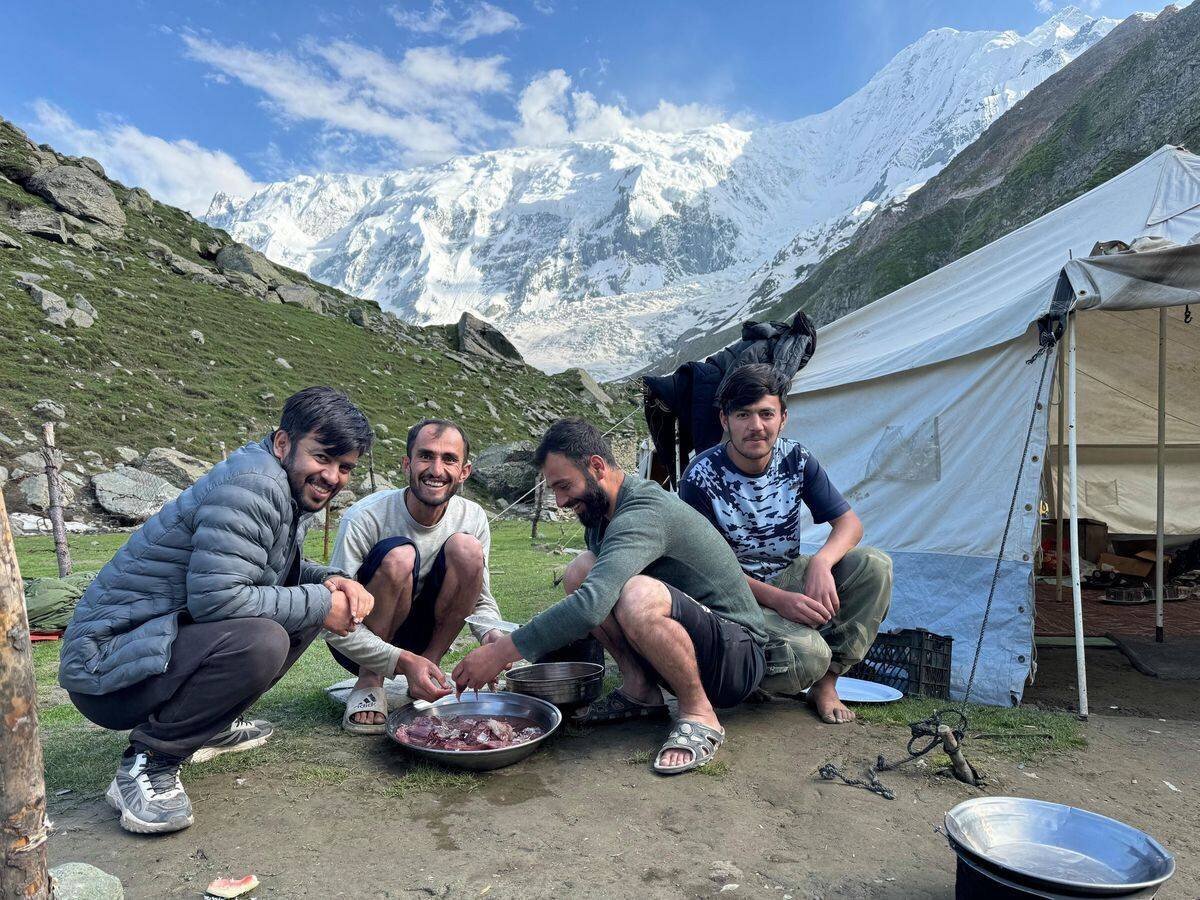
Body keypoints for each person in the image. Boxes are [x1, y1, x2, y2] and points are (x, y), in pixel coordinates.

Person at [59, 387, 375, 834]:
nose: (333, 476)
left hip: (148, 647)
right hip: (104, 671)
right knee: (264, 638)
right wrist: (324, 603)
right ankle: (148, 764)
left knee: (303, 608)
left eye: (345, 467)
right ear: (284, 443)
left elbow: (265, 570)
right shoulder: (255, 485)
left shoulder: (276, 480)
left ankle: (208, 722)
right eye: (322, 457)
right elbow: (219, 599)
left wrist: (331, 580)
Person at [453, 418, 766, 775]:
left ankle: (700, 713)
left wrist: (500, 652)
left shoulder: (644, 512)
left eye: (564, 485)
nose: (561, 500)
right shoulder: (602, 515)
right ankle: (640, 691)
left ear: (597, 467)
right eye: (553, 490)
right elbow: (589, 594)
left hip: (737, 657)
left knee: (635, 594)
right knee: (581, 570)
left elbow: (591, 608)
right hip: (695, 645)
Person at [678, 364, 892, 724]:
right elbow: (703, 571)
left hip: (788, 573)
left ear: (783, 418)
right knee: (808, 655)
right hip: (731, 595)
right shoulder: (700, 476)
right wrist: (780, 600)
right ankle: (748, 677)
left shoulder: (796, 458)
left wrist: (821, 563)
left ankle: (826, 684)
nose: (756, 426)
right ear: (725, 420)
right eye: (743, 414)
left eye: (766, 414)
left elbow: (850, 524)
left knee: (874, 565)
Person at [325, 418, 505, 733]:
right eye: (426, 456)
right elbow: (332, 615)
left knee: (467, 549)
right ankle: (370, 680)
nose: (436, 470)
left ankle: (428, 671)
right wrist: (383, 662)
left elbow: (481, 599)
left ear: (464, 471)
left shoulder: (472, 516)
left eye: (449, 459)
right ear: (407, 464)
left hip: (425, 636)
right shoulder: (365, 516)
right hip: (362, 639)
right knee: (399, 557)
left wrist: (493, 639)